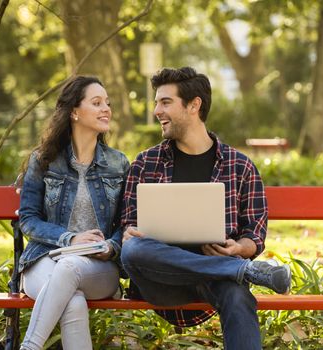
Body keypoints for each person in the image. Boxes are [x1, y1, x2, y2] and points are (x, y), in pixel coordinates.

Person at [120, 67, 291, 350]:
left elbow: (254, 236)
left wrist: (238, 249)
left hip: (217, 280)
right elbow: (128, 227)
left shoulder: (240, 166)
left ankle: (236, 269)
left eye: (165, 102)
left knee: (238, 297)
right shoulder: (145, 163)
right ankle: (243, 271)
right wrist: (129, 233)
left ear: (194, 105)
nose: (156, 111)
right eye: (156, 102)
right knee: (133, 250)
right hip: (161, 280)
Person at [18, 76, 129, 350]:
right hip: (44, 259)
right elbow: (28, 220)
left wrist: (110, 246)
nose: (106, 109)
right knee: (73, 301)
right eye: (96, 102)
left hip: (99, 267)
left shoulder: (118, 163)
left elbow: (128, 222)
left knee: (70, 269)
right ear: (74, 112)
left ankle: (29, 347)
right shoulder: (44, 159)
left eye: (107, 103)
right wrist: (70, 239)